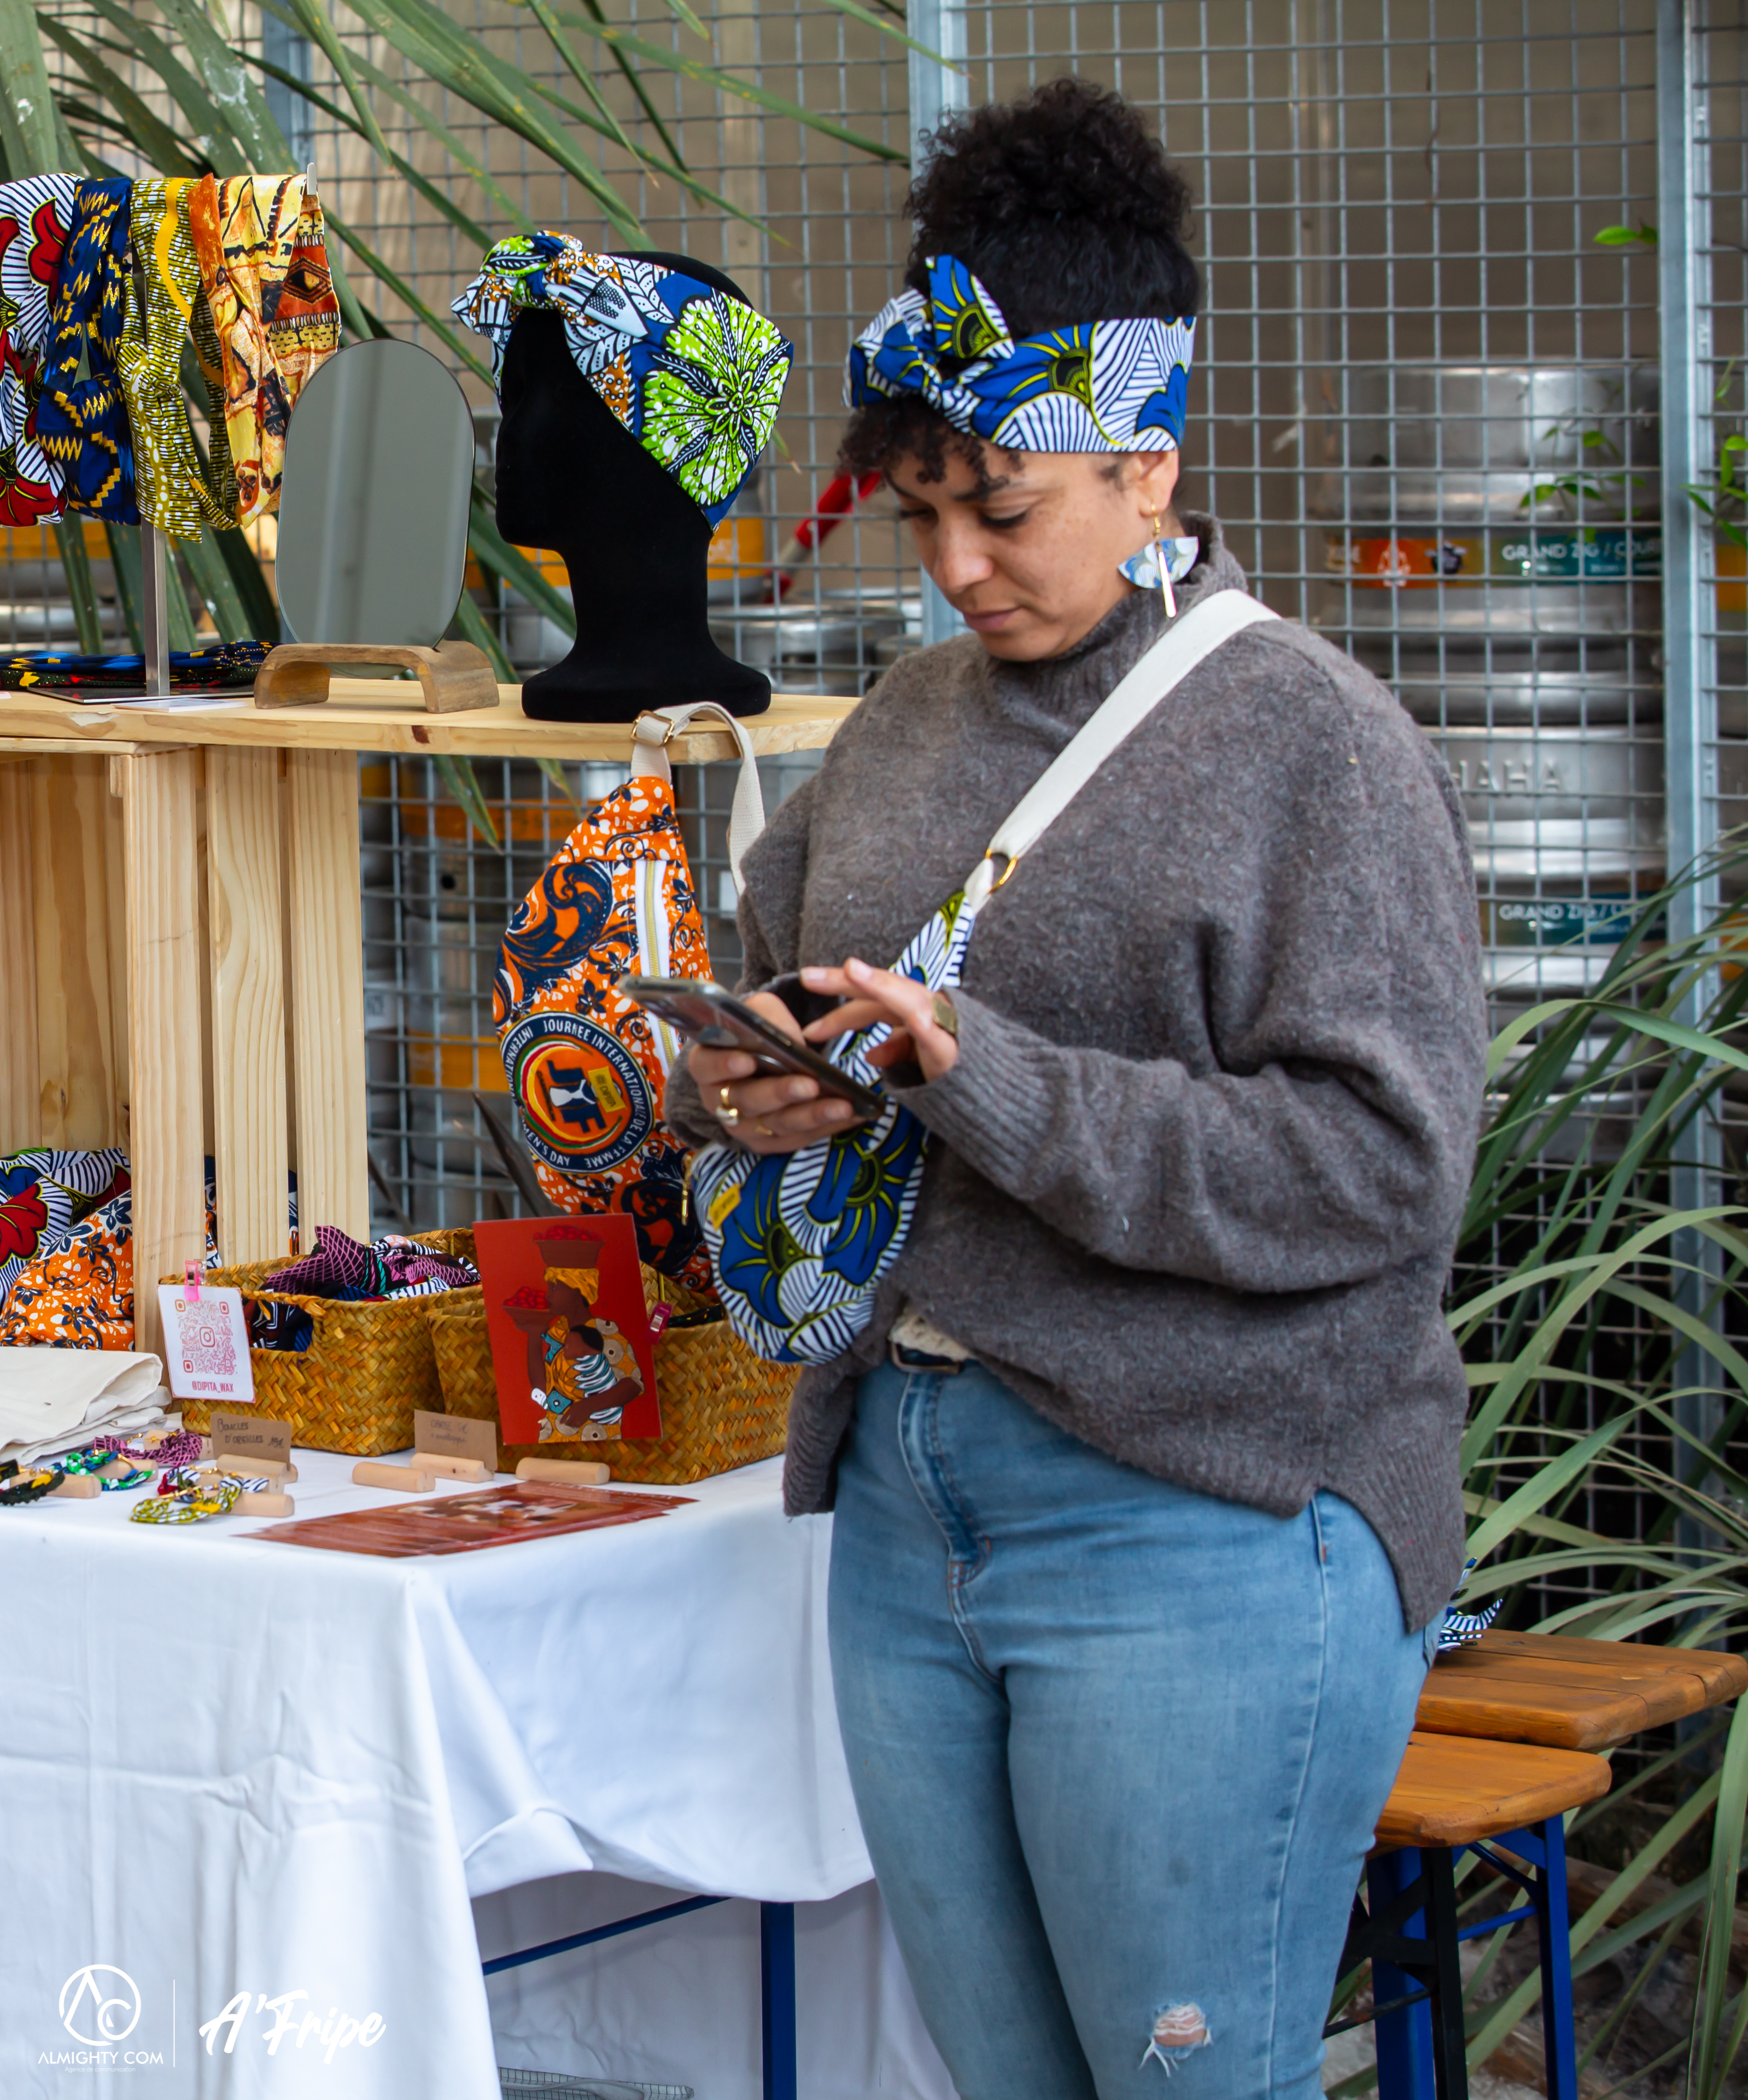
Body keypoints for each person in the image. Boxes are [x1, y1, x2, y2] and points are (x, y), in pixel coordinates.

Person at [668, 80, 1483, 2099]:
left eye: (1001, 512)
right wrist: (746, 1093)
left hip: (1200, 1515)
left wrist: (989, 1084)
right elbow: (763, 994)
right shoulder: (900, 724)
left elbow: (1380, 1170)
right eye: (919, 509)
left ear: (1150, 460)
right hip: (900, 1492)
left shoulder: (1318, 747)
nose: (952, 565)